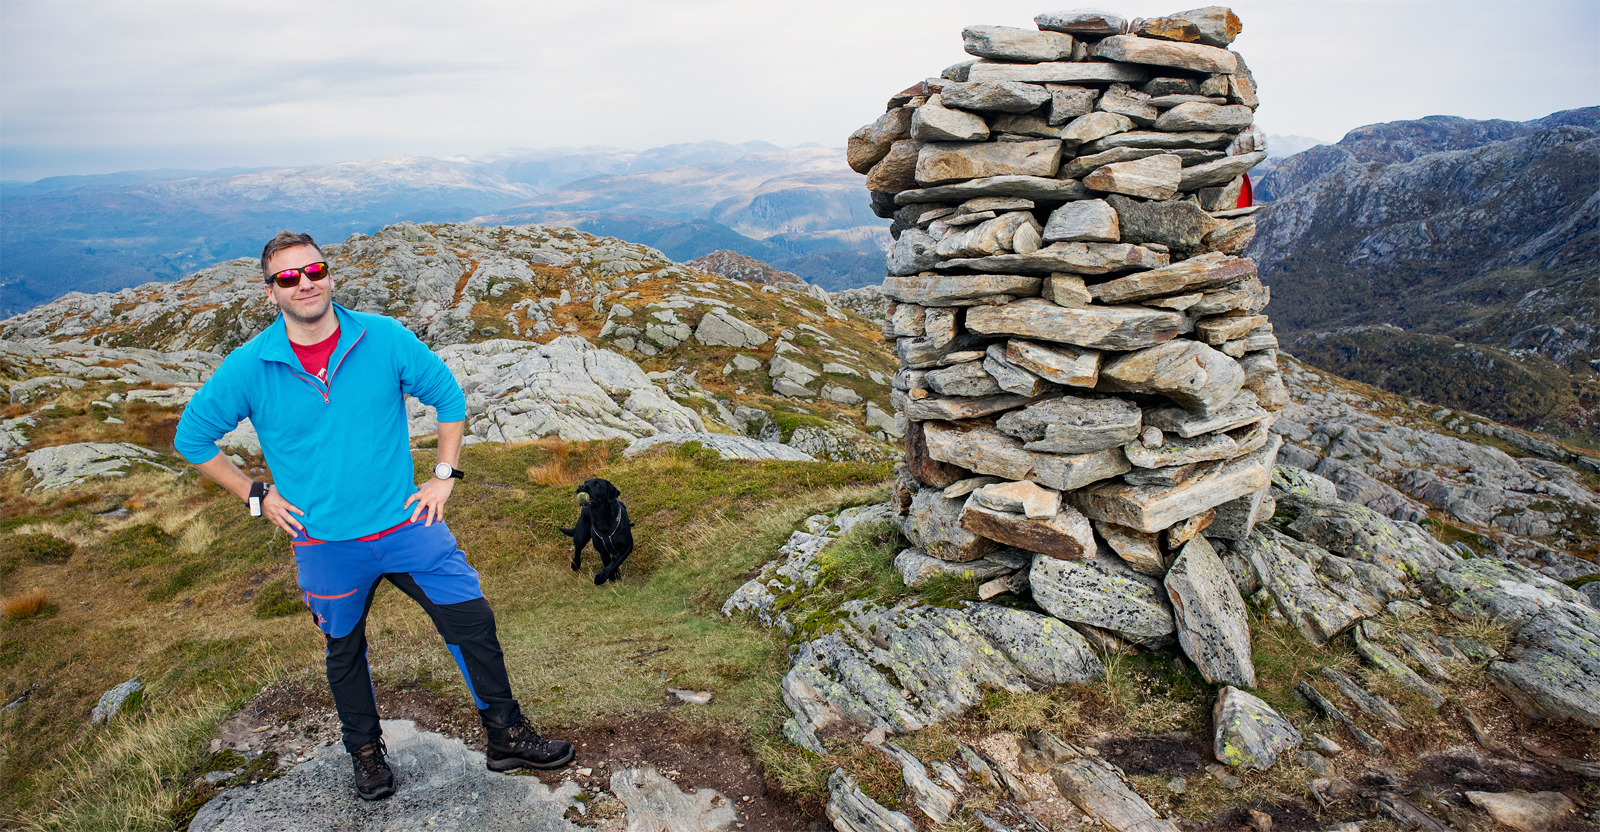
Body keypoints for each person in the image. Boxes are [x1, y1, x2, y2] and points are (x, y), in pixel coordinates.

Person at [174, 230, 573, 801]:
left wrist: (443, 475)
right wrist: (255, 494)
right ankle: (365, 754)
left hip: (408, 527)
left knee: (473, 622)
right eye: (289, 277)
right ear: (270, 293)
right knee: (344, 651)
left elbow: (449, 397)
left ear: (329, 275)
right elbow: (192, 438)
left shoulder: (382, 337)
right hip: (325, 544)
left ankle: (506, 736)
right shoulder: (250, 367)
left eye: (314, 271)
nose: (305, 283)